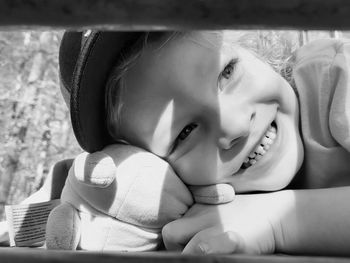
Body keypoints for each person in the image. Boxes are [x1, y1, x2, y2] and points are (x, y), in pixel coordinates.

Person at [67, 30, 350, 256]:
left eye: (227, 72)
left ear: (253, 51)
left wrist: (277, 220)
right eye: (185, 132)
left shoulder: (334, 75)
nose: (236, 125)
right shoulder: (191, 209)